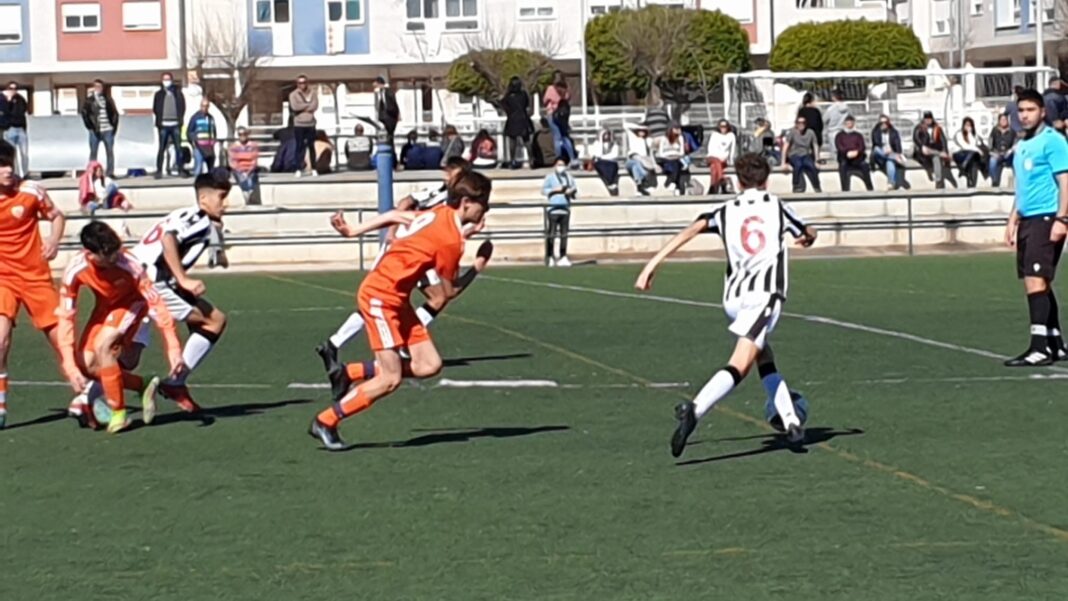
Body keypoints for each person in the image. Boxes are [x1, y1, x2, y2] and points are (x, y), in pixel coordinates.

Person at [635, 152, 818, 457]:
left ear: (737, 181)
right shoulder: (776, 206)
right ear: (767, 180)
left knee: (763, 354)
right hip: (763, 295)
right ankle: (695, 409)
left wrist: (651, 265)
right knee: (740, 363)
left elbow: (691, 229)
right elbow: (808, 231)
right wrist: (810, 236)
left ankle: (791, 423)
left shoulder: (725, 210)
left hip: (734, 299)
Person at [307, 172, 493, 451]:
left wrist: (355, 231)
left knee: (429, 365)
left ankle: (349, 373)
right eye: (484, 203)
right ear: (466, 202)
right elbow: (448, 293)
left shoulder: (440, 213)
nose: (486, 209)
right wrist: (478, 265)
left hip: (397, 298)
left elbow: (397, 215)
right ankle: (326, 421)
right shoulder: (452, 241)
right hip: (380, 297)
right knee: (389, 379)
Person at [57, 222, 184, 433]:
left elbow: (156, 303)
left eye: (117, 251)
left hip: (132, 303)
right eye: (109, 256)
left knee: (104, 346)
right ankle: (143, 384)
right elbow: (66, 316)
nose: (116, 258)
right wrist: (69, 366)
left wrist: (173, 345)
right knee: (86, 364)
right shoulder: (75, 270)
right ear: (91, 254)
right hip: (105, 307)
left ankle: (118, 413)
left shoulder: (130, 265)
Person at [125, 170, 232, 413]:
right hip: (153, 282)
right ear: (203, 198)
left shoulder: (187, 215)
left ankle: (86, 398)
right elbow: (168, 239)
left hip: (135, 276)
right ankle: (175, 383)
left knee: (129, 357)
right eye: (221, 197)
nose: (226, 204)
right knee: (214, 320)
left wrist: (218, 248)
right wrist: (183, 279)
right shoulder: (199, 219)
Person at [0, 142, 81, 428]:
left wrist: (54, 240)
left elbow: (57, 215)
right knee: (0, 340)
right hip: (3, 279)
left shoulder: (31, 191)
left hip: (35, 277)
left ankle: (86, 394)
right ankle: (0, 402)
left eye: (9, 163)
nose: (7, 170)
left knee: (63, 342)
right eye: (1, 165)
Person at [1003, 88, 1068, 366]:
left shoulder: (1053, 141)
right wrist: (1013, 218)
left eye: (1030, 110)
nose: (1025, 115)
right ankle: (1055, 344)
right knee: (1039, 281)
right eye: (1021, 110)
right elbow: (1024, 187)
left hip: (1046, 217)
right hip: (1028, 218)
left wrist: (1062, 219)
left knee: (1035, 279)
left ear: (1042, 112)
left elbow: (1065, 181)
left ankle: (1039, 348)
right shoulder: (1023, 144)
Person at [80, 79, 119, 178]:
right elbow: (84, 113)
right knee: (93, 152)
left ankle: (110, 172)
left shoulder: (108, 99)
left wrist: (113, 127)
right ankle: (92, 172)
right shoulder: (90, 100)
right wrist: (90, 126)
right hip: (95, 130)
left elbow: (115, 114)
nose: (98, 88)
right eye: (96, 86)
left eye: (100, 87)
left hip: (107, 129)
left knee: (110, 152)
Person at [153, 72, 187, 179]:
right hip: (163, 125)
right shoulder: (158, 94)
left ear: (172, 80)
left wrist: (179, 119)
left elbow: (182, 106)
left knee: (178, 148)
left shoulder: (178, 93)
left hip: (175, 124)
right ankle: (159, 171)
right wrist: (160, 120)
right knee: (161, 148)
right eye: (164, 79)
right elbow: (155, 108)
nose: (166, 81)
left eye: (168, 79)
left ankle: (181, 169)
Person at [543, 157, 576, 267]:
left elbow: (574, 189)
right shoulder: (550, 177)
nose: (561, 167)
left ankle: (563, 256)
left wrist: (570, 191)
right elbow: (544, 190)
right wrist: (555, 190)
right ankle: (550, 256)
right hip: (553, 209)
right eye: (559, 164)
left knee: (564, 234)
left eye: (562, 165)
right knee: (551, 234)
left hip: (565, 209)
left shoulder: (569, 177)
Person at [913, 111, 957, 189]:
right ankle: (939, 154)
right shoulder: (919, 128)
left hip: (933, 151)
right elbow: (916, 138)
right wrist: (922, 146)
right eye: (926, 119)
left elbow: (943, 140)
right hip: (922, 152)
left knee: (936, 158)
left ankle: (938, 182)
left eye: (929, 119)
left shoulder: (937, 128)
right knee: (933, 153)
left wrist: (945, 150)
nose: (928, 121)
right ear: (924, 119)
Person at [781, 115, 822, 193]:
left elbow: (815, 146)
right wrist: (783, 163)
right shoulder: (792, 132)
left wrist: (817, 160)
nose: (801, 124)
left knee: (811, 166)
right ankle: (796, 185)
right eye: (799, 123)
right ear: (796, 124)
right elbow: (785, 147)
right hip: (794, 155)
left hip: (806, 155)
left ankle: (816, 186)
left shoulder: (810, 132)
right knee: (798, 165)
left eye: (803, 123)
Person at [543, 71, 576, 165]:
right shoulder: (566, 89)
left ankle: (559, 160)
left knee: (557, 138)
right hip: (563, 116)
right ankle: (572, 158)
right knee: (565, 137)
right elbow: (568, 99)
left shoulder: (551, 89)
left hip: (553, 114)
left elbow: (545, 100)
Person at [289, 74, 319, 177]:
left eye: (304, 82)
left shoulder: (313, 93)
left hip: (310, 123)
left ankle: (314, 168)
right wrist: (307, 106)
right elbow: (295, 107)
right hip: (299, 124)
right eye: (300, 83)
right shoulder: (293, 94)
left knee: (311, 146)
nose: (302, 84)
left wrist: (303, 107)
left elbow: (315, 105)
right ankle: (298, 168)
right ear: (297, 84)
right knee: (299, 146)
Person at [870, 115, 910, 191]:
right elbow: (876, 143)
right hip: (879, 157)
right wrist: (885, 149)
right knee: (876, 149)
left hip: (890, 154)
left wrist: (891, 151)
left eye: (885, 122)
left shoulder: (894, 132)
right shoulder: (875, 132)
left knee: (890, 161)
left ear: (888, 123)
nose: (883, 124)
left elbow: (898, 148)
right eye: (881, 123)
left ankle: (891, 183)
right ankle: (894, 157)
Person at [834, 115, 873, 192]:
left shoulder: (858, 135)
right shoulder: (839, 135)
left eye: (851, 123)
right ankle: (845, 190)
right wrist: (847, 152)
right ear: (845, 124)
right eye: (847, 123)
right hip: (845, 158)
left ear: (853, 123)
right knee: (842, 166)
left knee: (865, 166)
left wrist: (856, 152)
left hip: (857, 158)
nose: (849, 125)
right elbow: (839, 146)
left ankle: (870, 188)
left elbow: (862, 146)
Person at [501, 77, 533, 169]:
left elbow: (504, 105)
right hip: (523, 118)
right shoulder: (523, 94)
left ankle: (512, 161)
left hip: (512, 119)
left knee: (512, 141)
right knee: (526, 141)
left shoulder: (508, 96)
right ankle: (531, 160)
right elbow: (527, 105)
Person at [1, 83, 29, 177]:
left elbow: (23, 110)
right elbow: (4, 112)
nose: (13, 90)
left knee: (24, 153)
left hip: (20, 128)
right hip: (9, 128)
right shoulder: (2, 99)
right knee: (11, 153)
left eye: (15, 88)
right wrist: (9, 101)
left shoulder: (20, 99)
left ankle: (25, 173)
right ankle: (13, 173)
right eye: (11, 88)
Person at [952, 117, 987, 188]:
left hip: (970, 157)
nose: (968, 127)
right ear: (963, 125)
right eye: (966, 125)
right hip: (960, 155)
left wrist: (970, 134)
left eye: (970, 125)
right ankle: (964, 168)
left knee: (974, 164)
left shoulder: (973, 135)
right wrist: (978, 150)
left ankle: (971, 184)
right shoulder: (959, 134)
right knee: (973, 154)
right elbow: (965, 146)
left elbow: (973, 145)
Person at [229, 127, 261, 203]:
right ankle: (247, 193)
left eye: (244, 134)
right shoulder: (233, 147)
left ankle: (247, 193)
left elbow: (254, 160)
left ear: (247, 135)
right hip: (239, 168)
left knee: (251, 177)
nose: (242, 136)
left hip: (250, 168)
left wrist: (249, 170)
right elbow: (232, 161)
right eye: (240, 134)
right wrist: (240, 170)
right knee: (242, 177)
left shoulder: (253, 146)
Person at [624, 121, 656, 195]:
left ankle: (639, 187)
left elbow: (651, 153)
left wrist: (654, 164)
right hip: (631, 159)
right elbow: (625, 125)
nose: (641, 132)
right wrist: (639, 126)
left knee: (636, 166)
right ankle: (644, 175)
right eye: (640, 130)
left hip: (642, 161)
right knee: (636, 162)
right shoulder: (632, 137)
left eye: (643, 131)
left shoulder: (647, 140)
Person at [186, 99, 217, 176]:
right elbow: (189, 131)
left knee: (211, 170)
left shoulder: (211, 118)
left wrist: (213, 142)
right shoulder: (195, 117)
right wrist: (193, 143)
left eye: (206, 106)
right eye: (203, 106)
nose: (205, 108)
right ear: (200, 106)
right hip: (199, 147)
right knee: (198, 169)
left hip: (209, 147)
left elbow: (214, 132)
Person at [373, 76, 400, 163]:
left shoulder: (388, 91)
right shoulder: (381, 92)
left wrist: (395, 115)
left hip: (390, 118)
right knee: (388, 139)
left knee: (390, 139)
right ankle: (392, 160)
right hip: (385, 118)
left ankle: (393, 160)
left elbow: (393, 104)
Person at [707, 119, 737, 194]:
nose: (723, 128)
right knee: (716, 162)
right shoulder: (714, 135)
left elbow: (732, 150)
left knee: (714, 168)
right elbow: (710, 148)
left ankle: (713, 187)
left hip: (723, 159)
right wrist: (718, 157)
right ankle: (722, 182)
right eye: (721, 126)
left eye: (725, 126)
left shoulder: (731, 136)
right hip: (713, 156)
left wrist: (731, 161)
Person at [656, 124, 686, 195]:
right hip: (665, 159)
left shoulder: (680, 138)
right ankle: (676, 187)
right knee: (675, 165)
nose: (678, 130)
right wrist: (668, 155)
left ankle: (671, 182)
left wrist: (676, 155)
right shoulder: (664, 139)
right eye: (676, 129)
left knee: (676, 164)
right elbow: (660, 153)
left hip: (676, 158)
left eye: (679, 129)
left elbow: (682, 152)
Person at [989, 113, 1018, 188]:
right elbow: (990, 142)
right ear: (999, 121)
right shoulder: (994, 130)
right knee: (992, 161)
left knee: (1016, 161)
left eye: (1005, 119)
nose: (1003, 121)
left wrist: (1011, 150)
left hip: (1008, 154)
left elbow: (1016, 143)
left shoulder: (1012, 131)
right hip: (997, 153)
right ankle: (994, 180)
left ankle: (1018, 181)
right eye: (1002, 119)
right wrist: (992, 152)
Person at [591, 128, 621, 196]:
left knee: (612, 166)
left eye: (608, 134)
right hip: (600, 162)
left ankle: (611, 183)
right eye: (604, 135)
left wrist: (602, 157)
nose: (606, 136)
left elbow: (614, 155)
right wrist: (601, 142)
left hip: (611, 161)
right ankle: (611, 184)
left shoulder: (614, 144)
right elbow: (597, 154)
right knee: (601, 166)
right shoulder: (597, 143)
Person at [823, 89, 849, 156]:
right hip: (844, 131)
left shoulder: (831, 109)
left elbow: (824, 120)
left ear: (834, 97)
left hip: (833, 132)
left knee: (835, 153)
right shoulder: (847, 108)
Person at [797, 92, 824, 158]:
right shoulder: (816, 111)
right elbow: (820, 124)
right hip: (816, 134)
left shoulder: (801, 111)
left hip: (804, 135)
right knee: (815, 154)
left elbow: (798, 123)